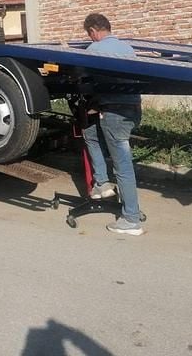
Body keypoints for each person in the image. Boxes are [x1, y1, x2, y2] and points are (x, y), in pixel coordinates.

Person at [81, 13, 144, 236]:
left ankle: (131, 219)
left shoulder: (93, 50)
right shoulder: (127, 48)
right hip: (133, 109)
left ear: (93, 31)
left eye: (89, 35)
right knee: (90, 133)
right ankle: (102, 183)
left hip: (115, 114)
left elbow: (85, 82)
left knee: (123, 166)